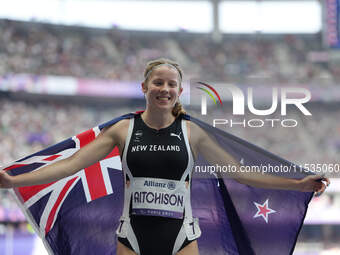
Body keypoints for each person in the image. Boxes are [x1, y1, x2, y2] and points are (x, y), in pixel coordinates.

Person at [0, 58, 330, 255]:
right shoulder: (122, 130)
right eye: (158, 82)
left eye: (171, 84)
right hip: (132, 235)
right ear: (145, 87)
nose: (165, 89)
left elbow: (240, 174)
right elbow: (70, 165)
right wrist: (13, 180)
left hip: (182, 235)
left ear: (179, 92)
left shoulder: (192, 132)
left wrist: (298, 185)